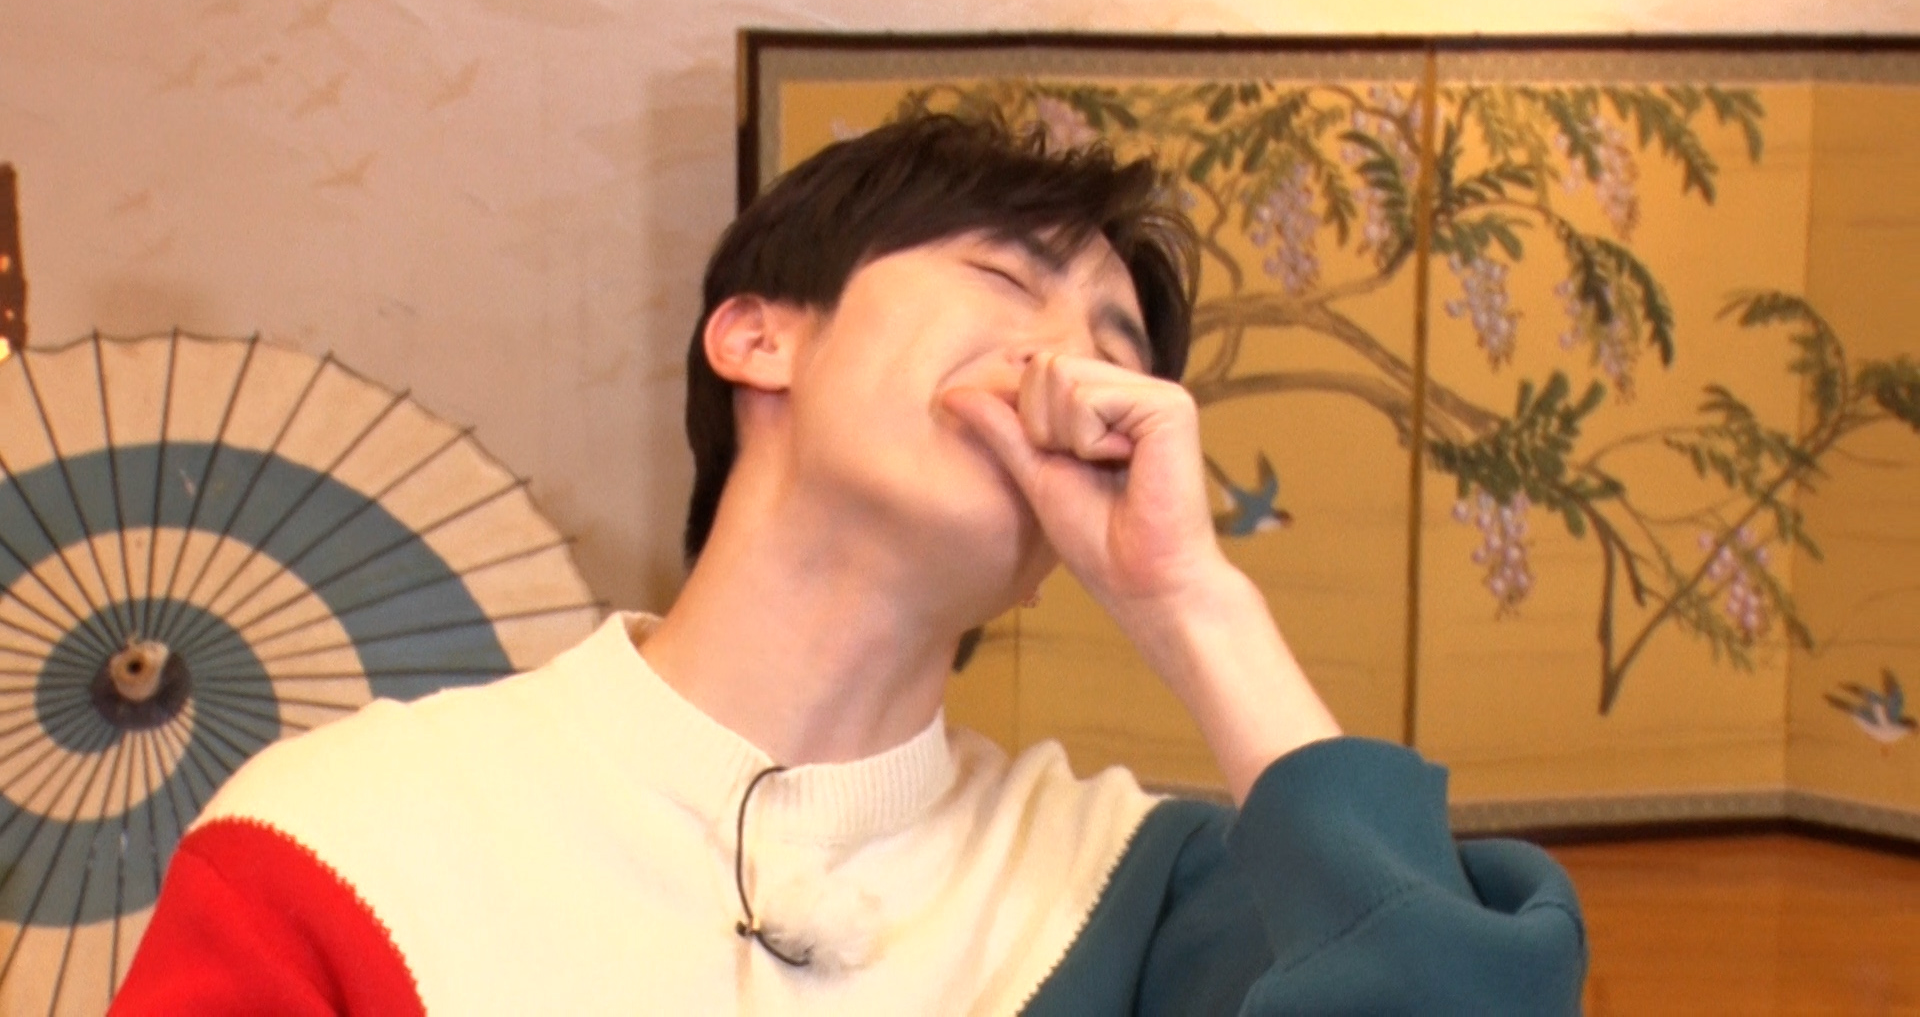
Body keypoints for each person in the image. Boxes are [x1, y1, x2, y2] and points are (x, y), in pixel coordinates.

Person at [113, 113, 1586, 1014]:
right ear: (759, 335)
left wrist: (1196, 603)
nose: (1066, 369)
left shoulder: (1142, 893)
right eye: (1004, 280)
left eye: (1115, 348)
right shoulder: (345, 837)